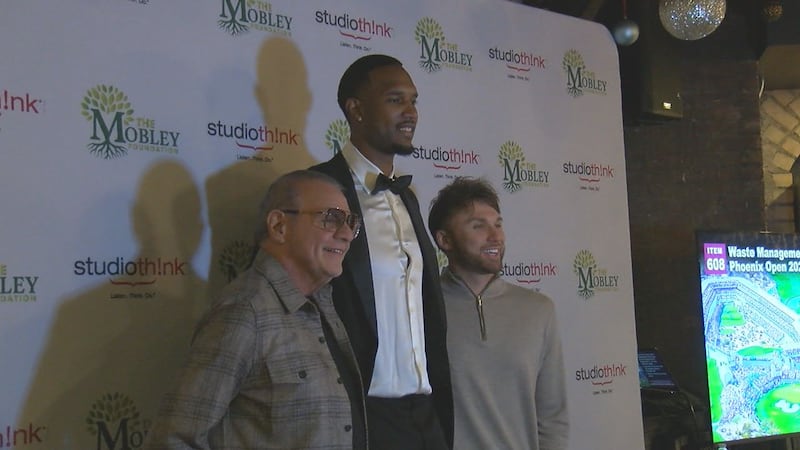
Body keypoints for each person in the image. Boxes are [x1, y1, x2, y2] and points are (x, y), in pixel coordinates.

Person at [144, 170, 367, 450]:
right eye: (330, 218)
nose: (346, 234)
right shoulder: (244, 311)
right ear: (278, 226)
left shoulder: (323, 304)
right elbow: (173, 439)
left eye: (350, 223)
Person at [310, 54, 453, 450]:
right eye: (395, 100)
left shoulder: (407, 197)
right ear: (355, 109)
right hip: (360, 417)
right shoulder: (316, 190)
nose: (411, 113)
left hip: (426, 413)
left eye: (414, 101)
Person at [428, 177, 569, 450]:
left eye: (498, 224)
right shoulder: (421, 308)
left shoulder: (539, 310)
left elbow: (553, 417)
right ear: (444, 239)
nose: (495, 237)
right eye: (478, 226)